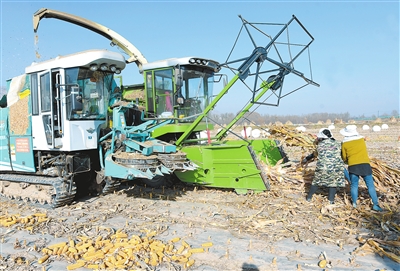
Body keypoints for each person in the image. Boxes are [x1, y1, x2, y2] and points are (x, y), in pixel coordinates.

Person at [340, 125, 383, 211]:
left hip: (353, 166)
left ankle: (354, 203)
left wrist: (348, 161)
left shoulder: (344, 143)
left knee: (354, 185)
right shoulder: (361, 140)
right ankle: (375, 204)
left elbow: (344, 157)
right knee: (370, 185)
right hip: (365, 165)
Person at [303, 128, 346, 204]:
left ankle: (309, 197)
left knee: (316, 182)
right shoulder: (339, 143)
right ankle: (331, 201)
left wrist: (306, 159)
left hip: (322, 167)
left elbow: (314, 155)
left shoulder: (320, 145)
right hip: (336, 167)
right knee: (333, 183)